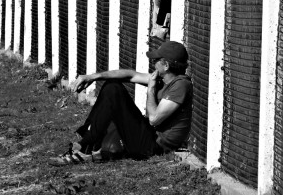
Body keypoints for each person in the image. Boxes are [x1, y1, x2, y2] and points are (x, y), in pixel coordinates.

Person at [49, 41, 192, 165]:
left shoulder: (180, 85)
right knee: (112, 86)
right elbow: (131, 75)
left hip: (154, 145)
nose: (153, 63)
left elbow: (154, 119)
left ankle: (85, 145)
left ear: (166, 65)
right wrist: (93, 77)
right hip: (149, 135)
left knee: (114, 91)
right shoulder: (164, 79)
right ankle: (86, 143)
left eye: (157, 60)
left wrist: (151, 90)